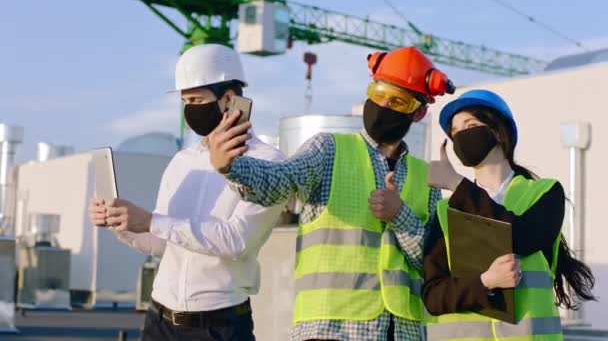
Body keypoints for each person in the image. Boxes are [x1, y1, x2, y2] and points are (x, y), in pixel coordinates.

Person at [207, 46, 455, 340]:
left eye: (398, 101)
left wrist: (401, 216)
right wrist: (232, 167)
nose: (384, 104)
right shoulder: (327, 150)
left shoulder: (424, 176)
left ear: (419, 113)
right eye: (378, 92)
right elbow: (280, 181)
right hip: (330, 329)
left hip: (403, 331)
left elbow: (431, 263)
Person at [87, 44, 285, 341]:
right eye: (184, 101)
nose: (189, 110)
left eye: (196, 100)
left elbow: (236, 241)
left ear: (229, 99)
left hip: (219, 327)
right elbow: (165, 243)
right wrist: (123, 224)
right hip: (159, 323)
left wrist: (152, 220)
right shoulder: (182, 161)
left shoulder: (269, 163)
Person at [424, 89, 596, 340]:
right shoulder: (444, 211)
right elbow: (433, 296)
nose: (461, 135)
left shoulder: (543, 193)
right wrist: (484, 282)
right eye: (455, 132)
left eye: (470, 124)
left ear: (497, 131)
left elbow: (521, 237)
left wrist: (457, 184)